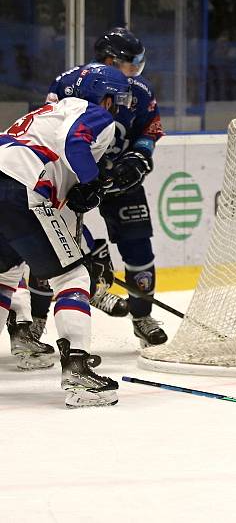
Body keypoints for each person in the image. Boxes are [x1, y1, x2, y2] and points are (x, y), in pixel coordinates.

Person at [12, 27, 167, 349]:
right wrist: (86, 178)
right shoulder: (71, 82)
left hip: (120, 179)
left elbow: (150, 129)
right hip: (70, 177)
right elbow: (57, 129)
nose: (136, 71)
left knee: (138, 245)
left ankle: (142, 318)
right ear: (111, 59)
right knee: (51, 247)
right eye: (131, 63)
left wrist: (138, 157)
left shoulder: (139, 90)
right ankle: (38, 320)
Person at [0, 64, 130, 407]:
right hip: (20, 190)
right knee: (72, 275)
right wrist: (90, 182)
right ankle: (78, 371)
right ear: (104, 97)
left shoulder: (46, 114)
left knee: (5, 275)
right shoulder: (93, 113)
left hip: (11, 183)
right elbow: (77, 143)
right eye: (115, 100)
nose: (115, 107)